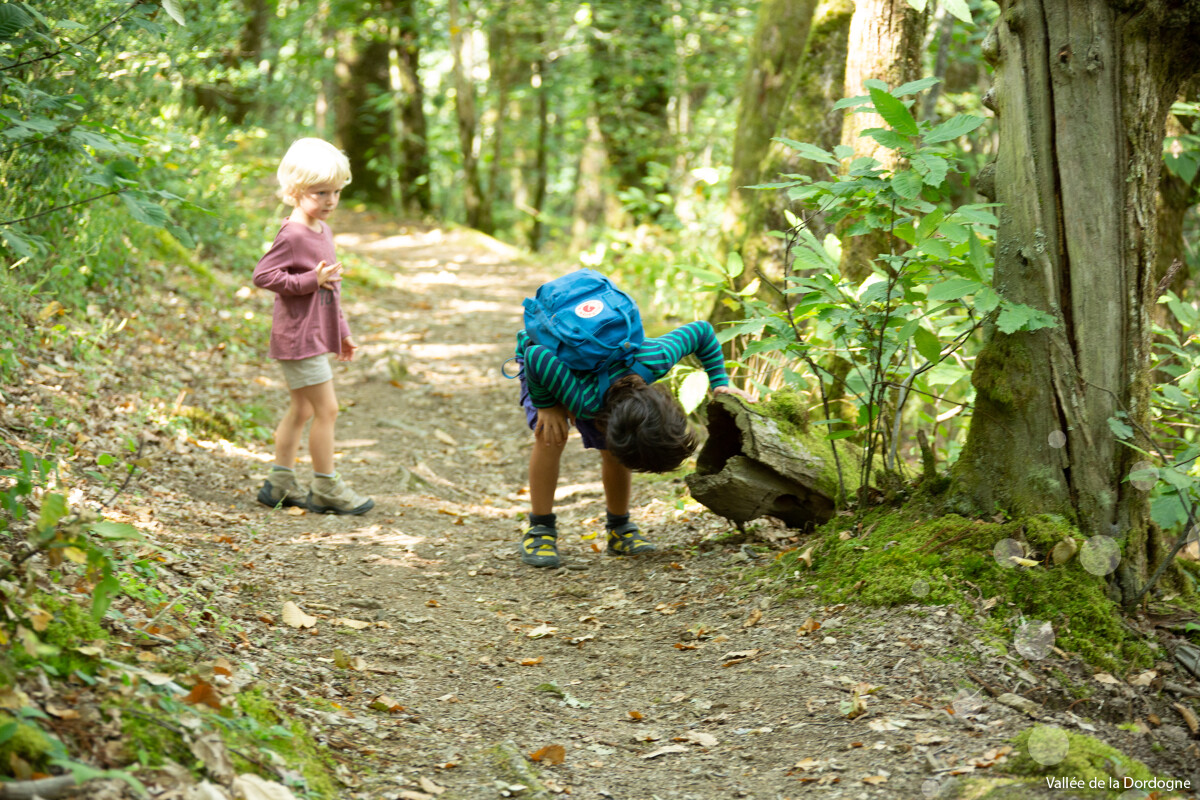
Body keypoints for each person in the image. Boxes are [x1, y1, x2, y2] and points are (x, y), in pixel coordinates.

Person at [515, 315, 754, 568]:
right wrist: (547, 405)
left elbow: (702, 332)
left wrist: (720, 384)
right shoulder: (585, 401)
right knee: (551, 436)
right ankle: (540, 529)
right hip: (543, 357)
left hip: (589, 369)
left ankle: (619, 527)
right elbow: (536, 355)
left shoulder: (656, 358)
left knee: (615, 446)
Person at [252, 137, 374, 515]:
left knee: (303, 409)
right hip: (297, 337)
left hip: (315, 334)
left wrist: (342, 331)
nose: (331, 200)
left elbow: (330, 288)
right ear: (295, 190)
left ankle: (279, 483)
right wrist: (308, 280)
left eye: (336, 192)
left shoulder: (322, 231)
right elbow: (263, 275)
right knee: (327, 409)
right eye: (321, 192)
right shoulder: (292, 234)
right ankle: (326, 487)